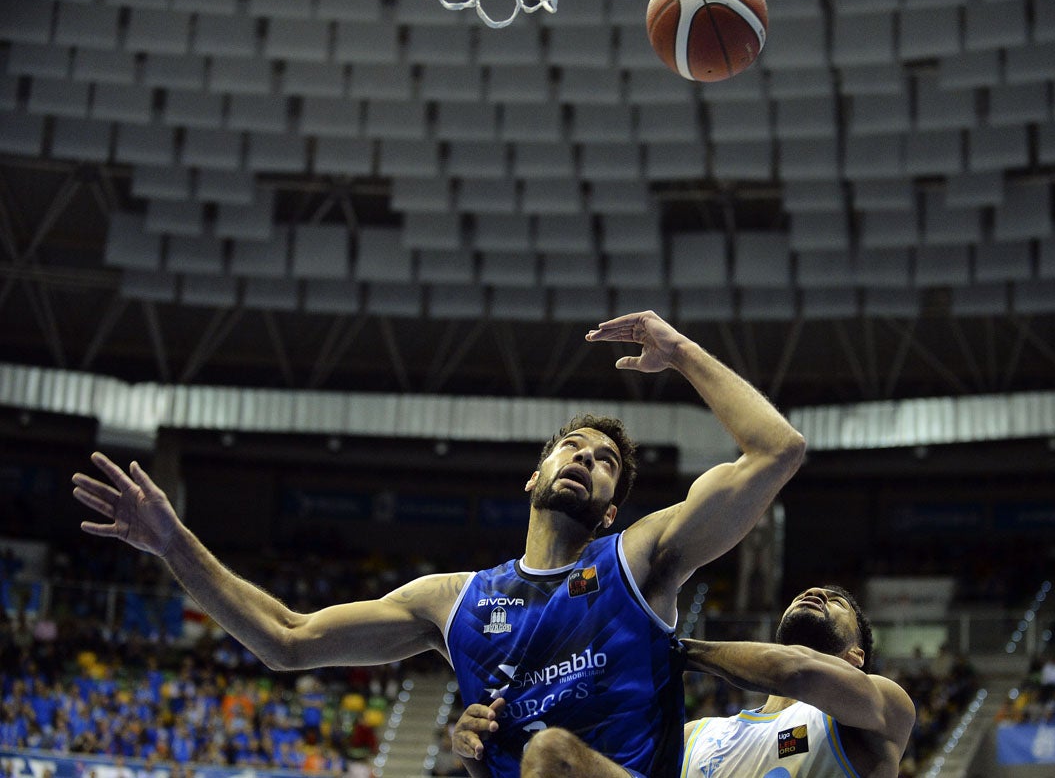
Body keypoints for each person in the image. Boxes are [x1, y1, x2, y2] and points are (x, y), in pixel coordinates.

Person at [72, 311, 806, 778]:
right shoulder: (456, 601)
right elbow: (286, 639)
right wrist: (172, 541)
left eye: (603, 460)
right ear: (534, 475)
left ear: (612, 509)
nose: (584, 458)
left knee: (549, 753)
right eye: (571, 448)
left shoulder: (640, 559)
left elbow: (776, 450)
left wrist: (677, 349)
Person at [454, 585, 915, 778]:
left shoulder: (882, 708)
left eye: (836, 602)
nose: (817, 593)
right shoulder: (698, 734)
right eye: (814, 593)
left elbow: (796, 670)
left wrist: (679, 650)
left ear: (856, 657)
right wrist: (483, 750)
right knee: (552, 753)